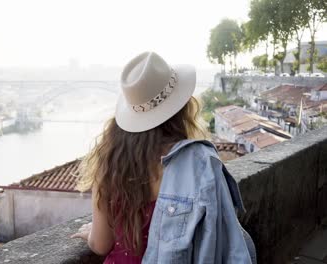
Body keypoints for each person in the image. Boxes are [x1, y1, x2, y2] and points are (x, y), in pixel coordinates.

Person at [71, 52, 256, 263]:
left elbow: (101, 244)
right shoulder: (197, 162)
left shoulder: (110, 165)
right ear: (182, 108)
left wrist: (89, 234)